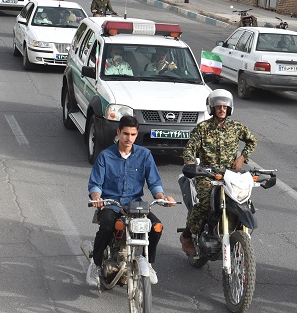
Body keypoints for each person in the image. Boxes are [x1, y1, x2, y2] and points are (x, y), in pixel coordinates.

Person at [87, 115, 175, 287]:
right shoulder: (105, 156)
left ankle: (148, 263)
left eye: (133, 134)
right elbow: (95, 184)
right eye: (126, 133)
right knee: (106, 227)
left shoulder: (144, 155)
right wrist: (97, 198)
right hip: (111, 205)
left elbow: (154, 183)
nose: (129, 138)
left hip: (135, 205)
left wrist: (162, 198)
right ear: (119, 132)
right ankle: (95, 264)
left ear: (137, 135)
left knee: (156, 227)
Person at [180, 89, 257, 256]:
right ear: (212, 108)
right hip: (207, 174)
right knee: (205, 203)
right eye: (218, 106)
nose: (222, 109)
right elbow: (189, 149)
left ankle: (233, 231)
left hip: (230, 174)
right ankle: (187, 236)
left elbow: (252, 141)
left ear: (229, 108)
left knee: (243, 201)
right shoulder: (202, 128)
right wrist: (191, 163)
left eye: (225, 106)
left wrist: (242, 158)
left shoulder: (236, 127)